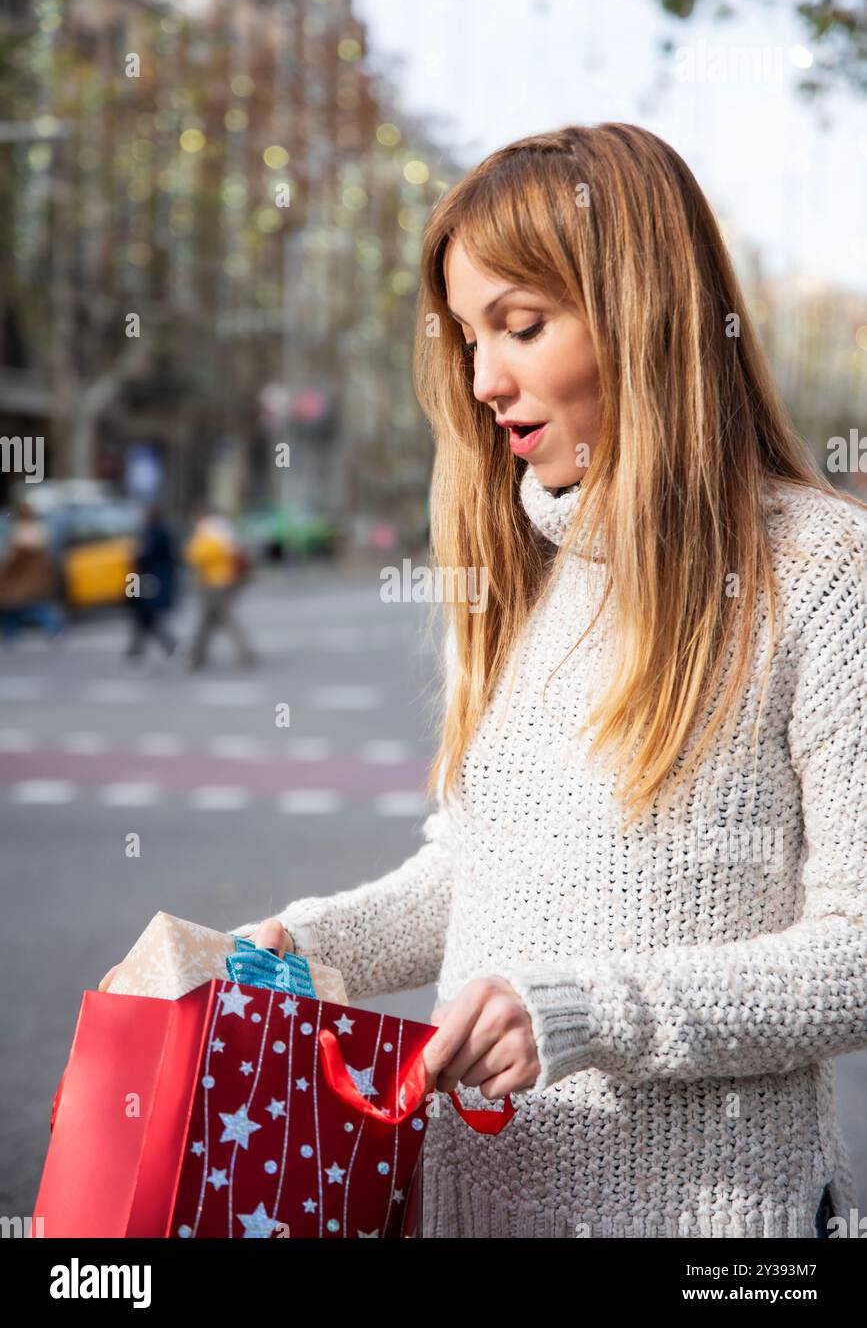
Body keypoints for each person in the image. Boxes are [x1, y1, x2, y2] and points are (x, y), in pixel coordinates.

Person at [100, 124, 867, 1240]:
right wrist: (296, 951)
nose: (482, 378)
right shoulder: (523, 574)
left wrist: (590, 1014)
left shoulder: (823, 570)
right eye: (466, 335)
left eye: (521, 325)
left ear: (643, 313)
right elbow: (474, 871)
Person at [184, 506, 256, 670]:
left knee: (220, 617)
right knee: (210, 618)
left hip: (215, 581)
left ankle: (243, 652)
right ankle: (197, 655)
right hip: (223, 580)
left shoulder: (209, 530)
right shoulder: (224, 528)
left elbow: (196, 555)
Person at [0, 500, 64, 641]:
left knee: (27, 607)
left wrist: (5, 570)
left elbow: (14, 558)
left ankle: (54, 629)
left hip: (22, 580)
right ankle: (11, 634)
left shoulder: (21, 531)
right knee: (20, 608)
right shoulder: (39, 528)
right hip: (34, 580)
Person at [125, 502, 178, 660]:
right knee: (143, 615)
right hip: (139, 579)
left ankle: (137, 649)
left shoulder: (157, 534)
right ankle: (165, 645)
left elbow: (146, 556)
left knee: (144, 614)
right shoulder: (149, 532)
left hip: (148, 580)